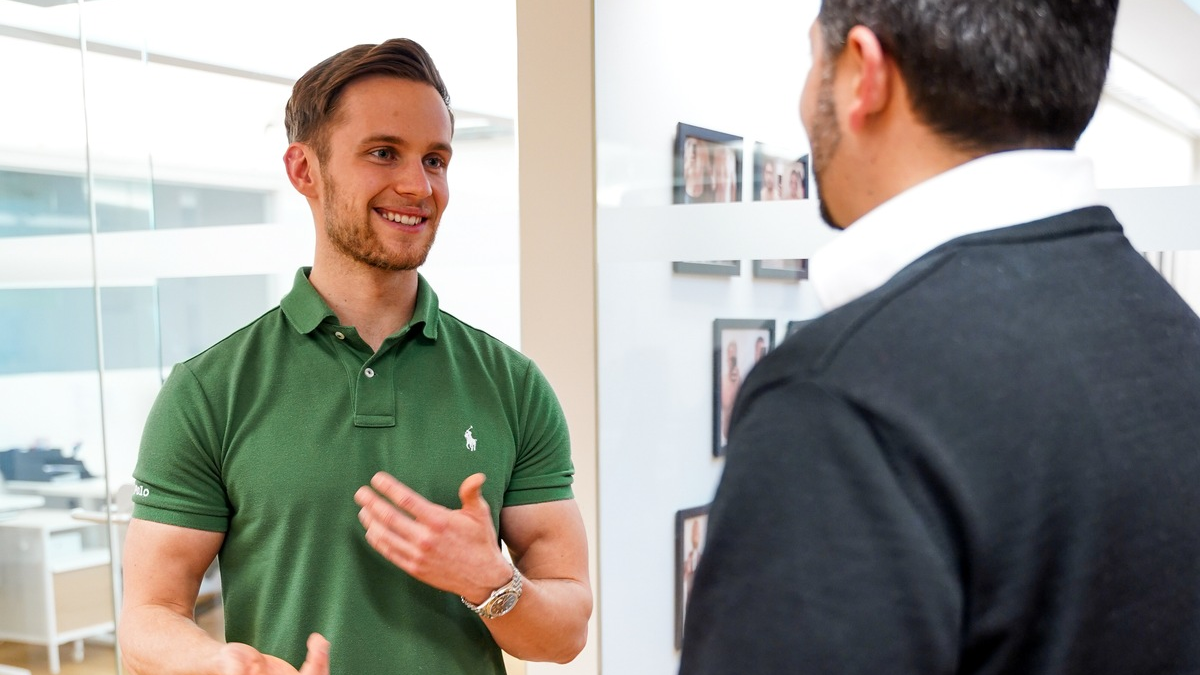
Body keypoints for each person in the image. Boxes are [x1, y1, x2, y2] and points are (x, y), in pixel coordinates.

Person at [680, 2, 1200, 674]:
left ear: (865, 74)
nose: (806, 100)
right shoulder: (1175, 337)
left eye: (815, 60)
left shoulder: (839, 400)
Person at [119, 38, 591, 675]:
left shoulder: (512, 384)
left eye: (435, 159)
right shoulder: (209, 389)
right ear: (304, 170)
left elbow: (563, 636)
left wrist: (491, 582)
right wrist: (221, 666)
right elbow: (148, 618)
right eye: (383, 153)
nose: (417, 185)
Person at [682, 136, 712, 203]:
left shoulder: (703, 155)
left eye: (695, 146)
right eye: (690, 145)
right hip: (688, 195)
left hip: (702, 195)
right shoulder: (686, 165)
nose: (693, 150)